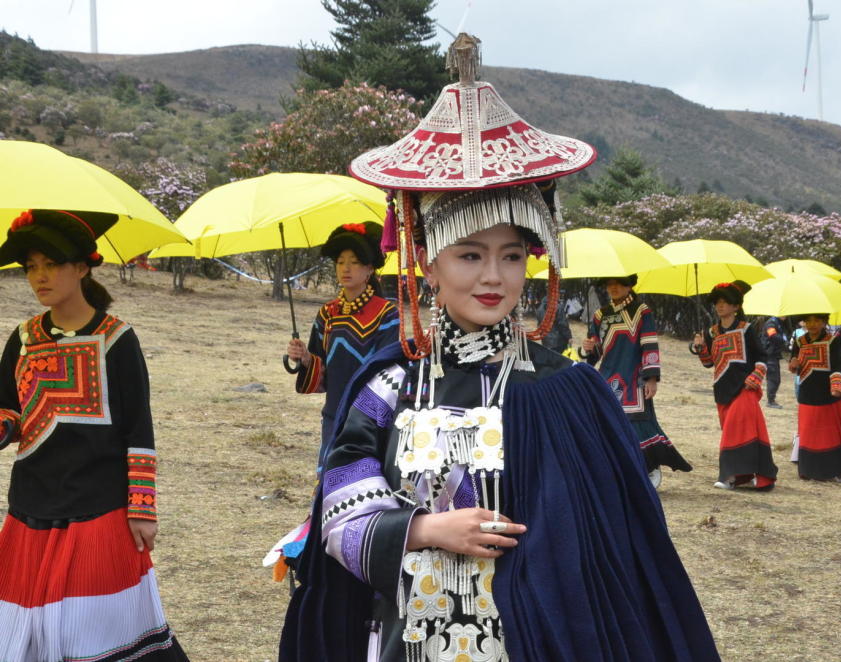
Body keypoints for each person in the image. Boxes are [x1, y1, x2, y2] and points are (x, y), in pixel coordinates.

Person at [278, 34, 720, 662]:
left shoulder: (566, 389)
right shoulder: (389, 385)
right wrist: (426, 529)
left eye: (511, 256)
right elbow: (342, 510)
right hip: (403, 637)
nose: (494, 277)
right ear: (428, 264)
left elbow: (608, 545)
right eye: (470, 255)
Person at [0, 209, 188, 661]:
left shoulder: (117, 339)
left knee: (95, 632)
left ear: (82, 267)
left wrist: (143, 508)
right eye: (30, 267)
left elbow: (138, 428)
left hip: (99, 508)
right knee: (28, 630)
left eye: (51, 264)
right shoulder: (22, 339)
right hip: (32, 507)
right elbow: (9, 412)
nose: (39, 277)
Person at [285, 221, 400, 464]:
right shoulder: (327, 314)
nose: (345, 268)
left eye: (354, 262)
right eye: (340, 262)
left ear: (369, 269)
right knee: (329, 479)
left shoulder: (386, 314)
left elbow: (388, 369)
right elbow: (321, 375)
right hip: (333, 413)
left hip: (370, 416)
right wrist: (305, 358)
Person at [581, 275, 692, 488]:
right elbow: (595, 355)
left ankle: (649, 466)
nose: (613, 288)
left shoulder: (642, 311)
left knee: (637, 423)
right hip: (607, 377)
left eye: (619, 283)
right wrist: (587, 348)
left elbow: (649, 344)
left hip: (634, 376)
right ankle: (615, 472)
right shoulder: (600, 315)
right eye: (610, 283)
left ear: (629, 285)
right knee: (606, 423)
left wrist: (651, 378)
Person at [690, 281, 778, 491]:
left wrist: (755, 376)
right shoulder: (711, 332)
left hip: (744, 388)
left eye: (725, 302)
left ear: (736, 306)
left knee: (735, 431)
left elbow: (761, 357)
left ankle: (728, 475)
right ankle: (744, 475)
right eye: (718, 302)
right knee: (736, 431)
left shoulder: (746, 329)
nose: (720, 306)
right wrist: (700, 347)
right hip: (722, 389)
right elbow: (709, 362)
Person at [788, 313, 841, 481]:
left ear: (824, 322)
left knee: (831, 433)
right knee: (808, 431)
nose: (812, 324)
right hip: (807, 392)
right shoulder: (800, 341)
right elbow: (795, 362)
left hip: (828, 392)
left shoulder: (833, 340)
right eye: (808, 320)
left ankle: (839, 469)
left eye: (817, 320)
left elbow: (839, 365)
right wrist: (793, 362)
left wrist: (839, 387)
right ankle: (809, 469)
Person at [762, 315, 785, 408]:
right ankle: (770, 401)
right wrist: (784, 340)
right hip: (769, 354)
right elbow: (772, 336)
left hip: (774, 354)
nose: (786, 316)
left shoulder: (778, 323)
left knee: (776, 379)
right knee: (773, 378)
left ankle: (772, 399)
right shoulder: (771, 323)